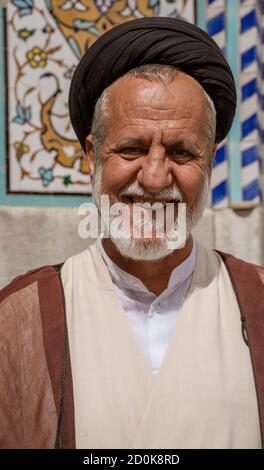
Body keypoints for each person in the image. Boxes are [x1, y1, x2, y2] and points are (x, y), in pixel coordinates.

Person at [0, 17, 263, 450]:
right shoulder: (20, 319)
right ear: (92, 156)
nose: (156, 178)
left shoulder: (257, 304)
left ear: (212, 162)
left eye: (181, 152)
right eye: (132, 149)